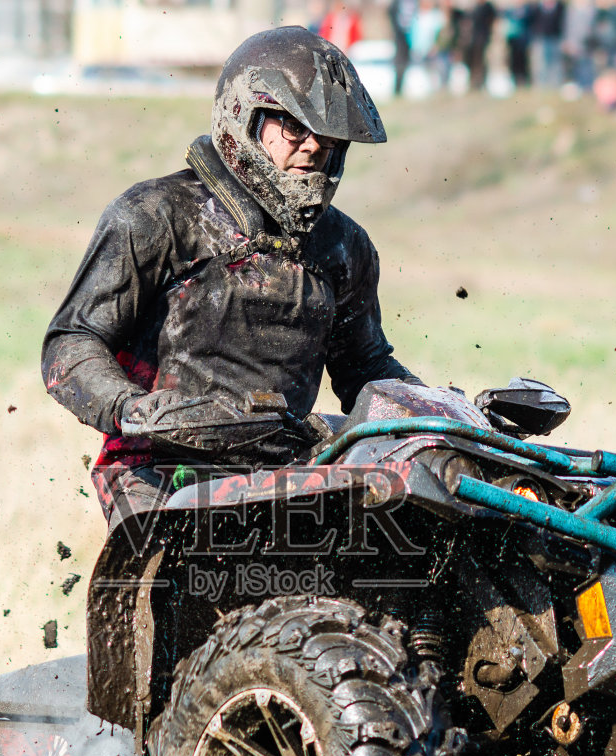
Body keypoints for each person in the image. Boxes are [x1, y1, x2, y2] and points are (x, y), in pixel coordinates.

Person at [42, 29, 422, 527]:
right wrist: (132, 408)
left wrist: (440, 418)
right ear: (248, 116)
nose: (313, 148)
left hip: (288, 470)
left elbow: (365, 367)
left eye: (329, 139)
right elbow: (71, 342)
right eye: (294, 129)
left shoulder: (344, 247)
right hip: (159, 470)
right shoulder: (155, 215)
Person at [504, 2, 536, 89]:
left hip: (523, 41)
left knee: (523, 61)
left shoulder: (527, 10)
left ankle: (524, 81)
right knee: (513, 61)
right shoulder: (510, 11)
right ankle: (515, 80)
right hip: (512, 41)